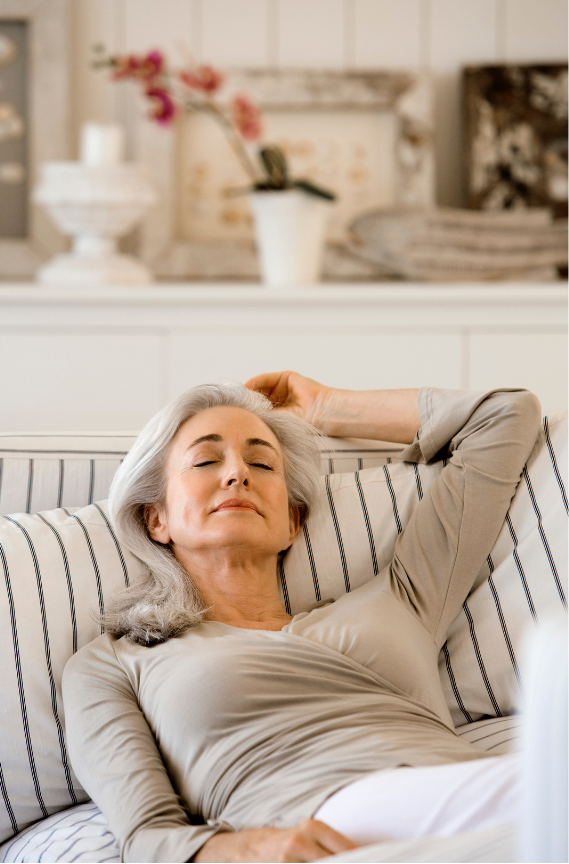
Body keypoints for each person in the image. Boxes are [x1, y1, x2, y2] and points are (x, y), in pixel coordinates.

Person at [62, 372, 541, 863]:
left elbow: (505, 416)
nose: (237, 474)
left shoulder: (402, 598)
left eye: (263, 463)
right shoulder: (112, 663)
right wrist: (251, 848)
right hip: (322, 832)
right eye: (206, 460)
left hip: (476, 810)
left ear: (292, 522)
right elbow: (148, 839)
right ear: (155, 519)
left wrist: (327, 408)